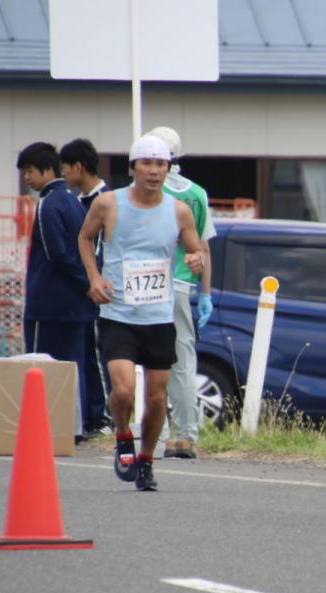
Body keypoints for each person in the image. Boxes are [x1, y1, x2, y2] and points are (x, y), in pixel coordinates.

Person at [78, 135, 205, 492]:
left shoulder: (178, 210)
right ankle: (122, 436)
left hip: (159, 316)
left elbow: (197, 252)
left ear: (168, 168)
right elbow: (85, 238)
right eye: (146, 164)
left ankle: (146, 460)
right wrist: (94, 277)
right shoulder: (108, 204)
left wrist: (196, 260)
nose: (153, 171)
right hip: (118, 312)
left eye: (160, 164)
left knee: (155, 397)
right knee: (123, 391)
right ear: (132, 168)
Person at [17, 142, 99, 443]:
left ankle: (50, 426)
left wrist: (86, 282)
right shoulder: (74, 202)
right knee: (74, 364)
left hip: (49, 303)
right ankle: (75, 425)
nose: (26, 177)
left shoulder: (48, 204)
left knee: (43, 365)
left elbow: (57, 253)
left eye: (29, 170)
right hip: (76, 303)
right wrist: (90, 283)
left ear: (47, 170)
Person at [144, 126, 214, 460]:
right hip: (182, 288)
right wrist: (207, 292)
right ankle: (184, 436)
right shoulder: (197, 194)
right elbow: (203, 249)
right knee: (183, 363)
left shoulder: (142, 191)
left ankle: (148, 435)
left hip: (142, 284)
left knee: (142, 361)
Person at [59, 137, 111, 437]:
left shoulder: (107, 199)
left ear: (79, 167)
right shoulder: (77, 202)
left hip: (102, 291)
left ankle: (101, 415)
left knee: (101, 352)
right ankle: (94, 413)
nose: (65, 175)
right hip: (84, 291)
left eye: (66, 169)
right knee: (89, 352)